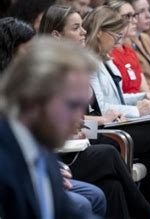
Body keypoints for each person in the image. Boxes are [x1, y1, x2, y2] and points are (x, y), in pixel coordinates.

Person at [38, 4, 150, 219]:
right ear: (57, 35)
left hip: (82, 133)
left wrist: (94, 122)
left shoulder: (74, 64)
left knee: (112, 185)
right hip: (63, 147)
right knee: (110, 150)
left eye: (83, 26)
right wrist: (99, 120)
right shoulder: (48, 70)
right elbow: (60, 121)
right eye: (76, 28)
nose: (83, 31)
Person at [0, 37, 98, 218]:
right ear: (33, 98)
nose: (79, 118)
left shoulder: (40, 149)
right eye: (72, 105)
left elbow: (66, 213)